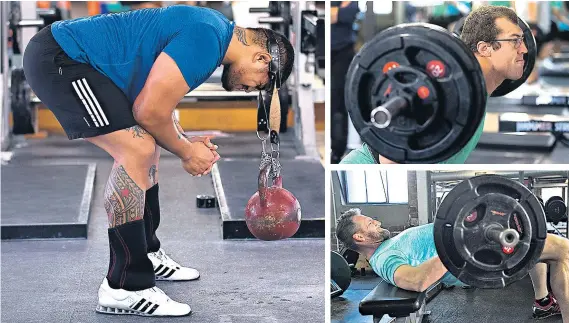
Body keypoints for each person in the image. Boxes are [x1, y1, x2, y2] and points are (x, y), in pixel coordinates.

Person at [23, 4, 294, 317]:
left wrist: (183, 138)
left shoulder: (213, 32)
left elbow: (159, 107)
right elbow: (148, 111)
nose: (249, 90)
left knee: (147, 145)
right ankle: (124, 286)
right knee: (134, 149)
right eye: (259, 84)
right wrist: (185, 151)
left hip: (77, 60)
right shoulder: (207, 38)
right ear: (262, 58)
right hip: (62, 59)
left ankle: (147, 252)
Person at [341, 5, 528, 164]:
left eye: (523, 40)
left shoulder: (475, 96)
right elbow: (393, 162)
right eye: (515, 41)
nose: (525, 50)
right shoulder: (447, 93)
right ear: (484, 48)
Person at [335, 208, 569, 321]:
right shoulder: (384, 259)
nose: (376, 221)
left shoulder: (387, 245)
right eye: (369, 223)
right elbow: (417, 281)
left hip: (475, 242)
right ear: (360, 238)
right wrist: (462, 246)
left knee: (535, 236)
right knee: (563, 249)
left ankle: (543, 302)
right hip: (478, 256)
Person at [330, 1, 360, 164]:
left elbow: (348, 14)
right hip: (325, 51)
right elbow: (330, 16)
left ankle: (337, 151)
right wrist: (335, 12)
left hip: (343, 53)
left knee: (338, 102)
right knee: (332, 103)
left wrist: (336, 13)